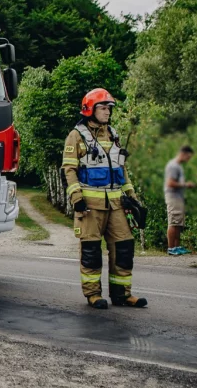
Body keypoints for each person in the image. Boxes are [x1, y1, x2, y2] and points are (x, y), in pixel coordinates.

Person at [61, 88, 147, 309]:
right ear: (90, 109)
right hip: (89, 207)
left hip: (116, 205)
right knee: (91, 252)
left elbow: (121, 170)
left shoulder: (114, 134)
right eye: (103, 108)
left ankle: (122, 294)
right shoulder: (77, 135)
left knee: (124, 247)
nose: (108, 112)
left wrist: (132, 198)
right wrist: (76, 198)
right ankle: (93, 294)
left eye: (109, 108)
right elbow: (68, 170)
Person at [164, 145, 196, 255]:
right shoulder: (173, 166)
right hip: (173, 197)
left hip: (178, 197)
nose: (188, 159)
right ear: (183, 154)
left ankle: (177, 247)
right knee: (173, 222)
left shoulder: (178, 166)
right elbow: (170, 183)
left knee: (178, 223)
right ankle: (171, 248)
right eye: (188, 157)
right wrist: (186, 184)